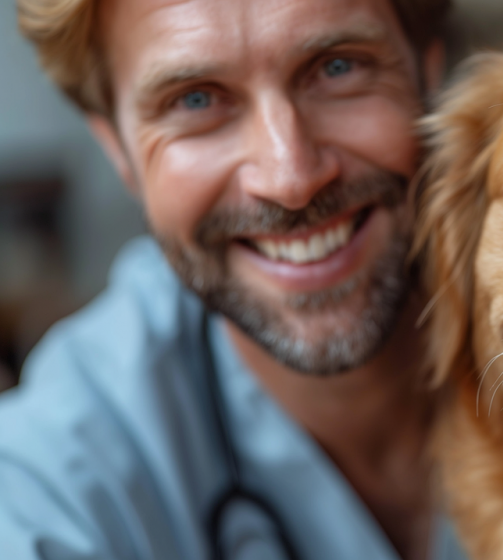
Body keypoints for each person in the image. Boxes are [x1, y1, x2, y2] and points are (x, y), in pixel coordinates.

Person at [0, 0, 463, 559]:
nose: (290, 177)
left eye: (338, 66)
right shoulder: (55, 478)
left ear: (429, 72)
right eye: (195, 100)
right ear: (117, 150)